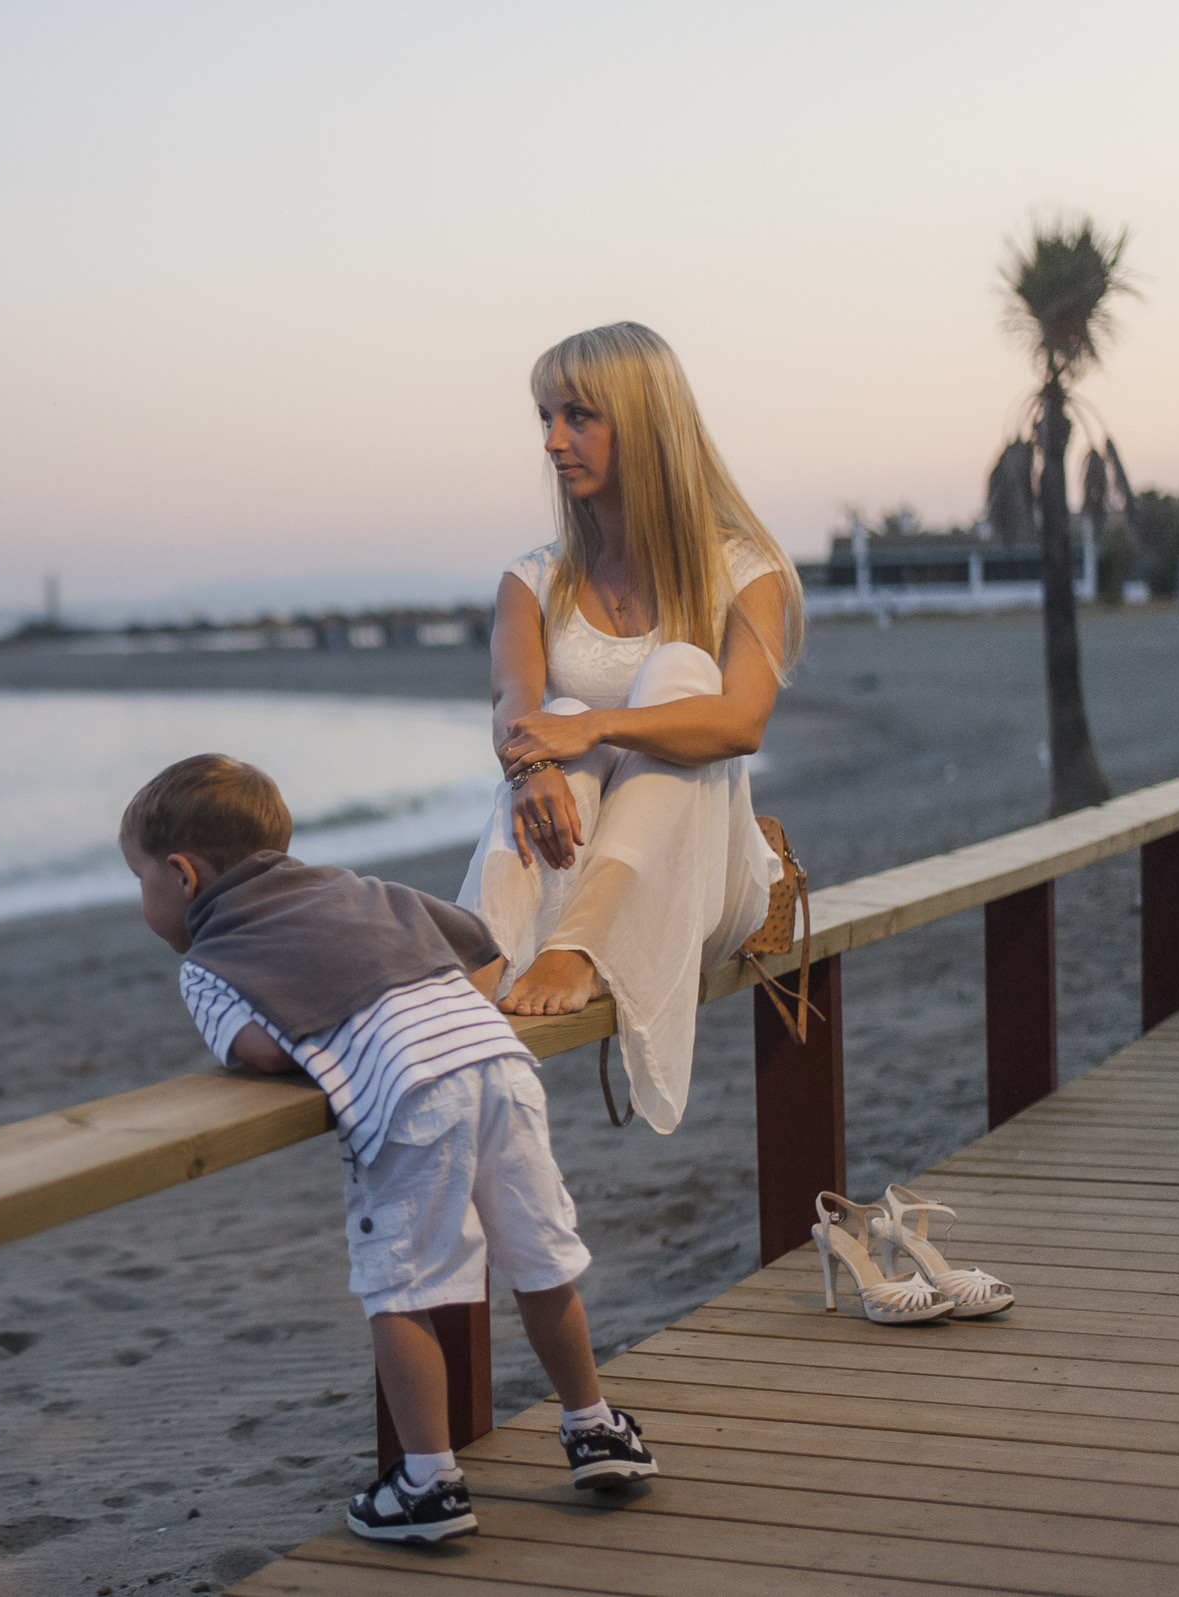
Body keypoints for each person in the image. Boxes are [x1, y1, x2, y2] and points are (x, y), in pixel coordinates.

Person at [120, 753, 657, 1545]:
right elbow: (483, 955)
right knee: (541, 1259)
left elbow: (262, 1051)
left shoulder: (209, 961)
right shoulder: (358, 887)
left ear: (183, 874)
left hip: (411, 1096)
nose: (143, 902)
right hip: (499, 1065)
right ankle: (595, 1427)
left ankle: (429, 1482)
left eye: (141, 882)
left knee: (400, 1286)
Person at [460, 322, 805, 1134]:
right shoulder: (533, 579)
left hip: (707, 883)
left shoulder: (745, 570)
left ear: (644, 425)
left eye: (578, 416)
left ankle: (566, 948)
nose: (552, 440)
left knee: (679, 674)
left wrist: (593, 732)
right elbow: (518, 704)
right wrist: (533, 763)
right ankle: (487, 950)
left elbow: (742, 721)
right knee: (561, 716)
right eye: (544, 417)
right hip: (566, 858)